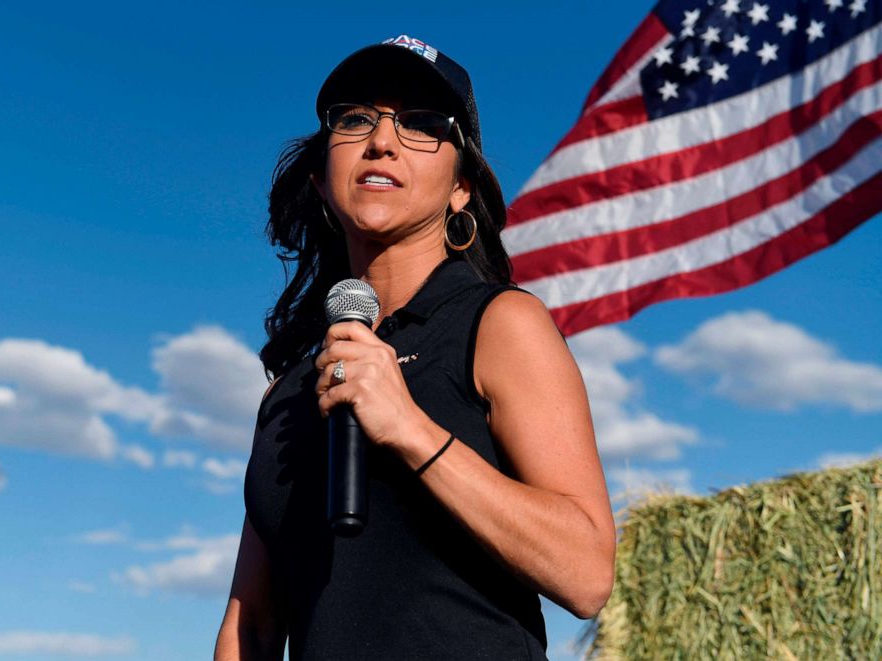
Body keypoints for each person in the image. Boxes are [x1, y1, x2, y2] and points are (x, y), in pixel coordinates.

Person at [215, 35, 615, 660]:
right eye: (355, 120)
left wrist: (409, 429)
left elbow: (587, 574)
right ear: (322, 179)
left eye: (423, 124)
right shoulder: (289, 387)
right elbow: (253, 624)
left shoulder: (501, 324)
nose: (382, 141)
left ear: (461, 188)